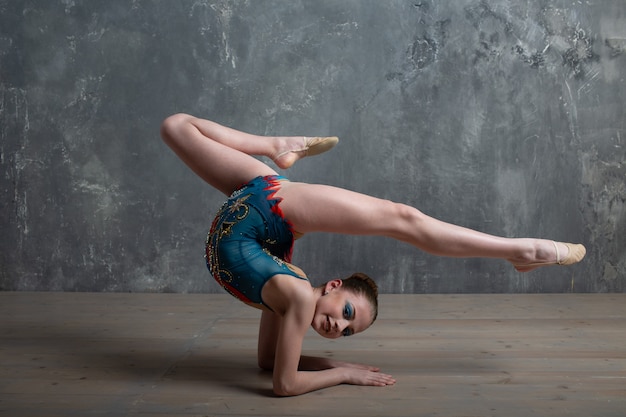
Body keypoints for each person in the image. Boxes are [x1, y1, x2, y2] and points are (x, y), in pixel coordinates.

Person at [160, 113, 586, 396]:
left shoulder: (287, 292)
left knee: (177, 127)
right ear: (332, 286)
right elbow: (284, 384)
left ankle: (277, 146)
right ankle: (521, 249)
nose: (336, 326)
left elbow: (269, 363)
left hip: (259, 215)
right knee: (402, 218)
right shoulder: (295, 294)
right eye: (346, 311)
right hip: (271, 206)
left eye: (346, 330)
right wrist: (343, 373)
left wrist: (333, 360)